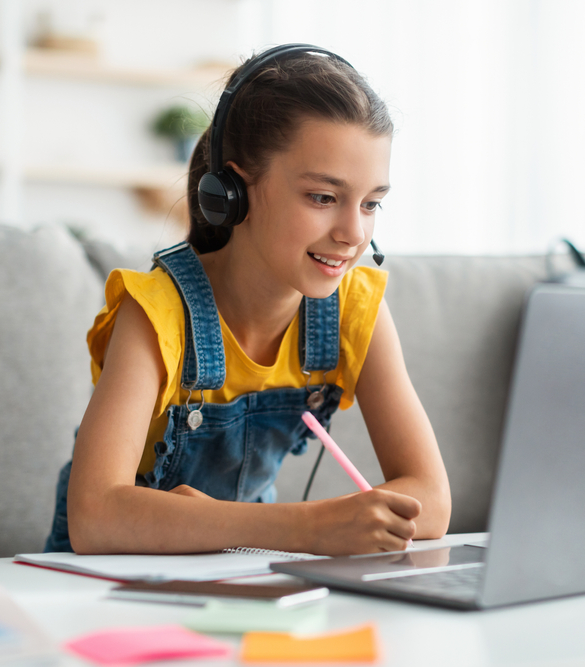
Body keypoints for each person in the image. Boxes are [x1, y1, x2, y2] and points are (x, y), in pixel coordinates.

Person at [44, 45, 451, 556]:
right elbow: (97, 518)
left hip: (247, 565)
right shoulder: (156, 312)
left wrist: (304, 528)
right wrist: (306, 528)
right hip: (113, 581)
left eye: (371, 204)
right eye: (323, 198)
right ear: (233, 190)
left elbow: (432, 500)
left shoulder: (355, 307)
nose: (354, 233)